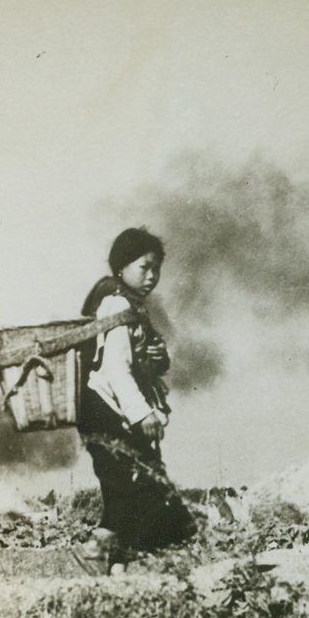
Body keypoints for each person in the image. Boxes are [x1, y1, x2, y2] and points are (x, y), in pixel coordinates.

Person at [74, 227, 195, 574]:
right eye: (144, 267)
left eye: (156, 268)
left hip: (110, 409)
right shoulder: (116, 303)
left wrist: (156, 357)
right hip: (106, 408)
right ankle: (100, 552)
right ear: (122, 267)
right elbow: (115, 368)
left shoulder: (131, 307)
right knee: (134, 484)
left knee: (133, 486)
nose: (152, 276)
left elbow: (137, 361)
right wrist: (143, 414)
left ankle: (118, 566)